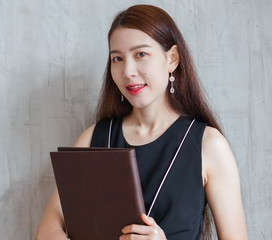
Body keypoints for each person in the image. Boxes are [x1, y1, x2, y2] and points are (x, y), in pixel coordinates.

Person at [36, 4, 248, 240]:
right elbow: (47, 230)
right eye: (117, 58)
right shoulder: (94, 138)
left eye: (141, 54)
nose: (127, 71)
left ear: (172, 59)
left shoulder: (209, 145)